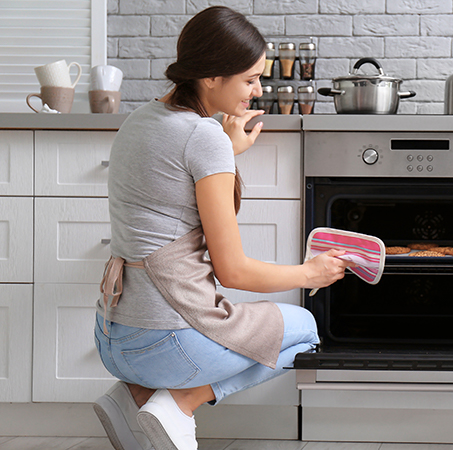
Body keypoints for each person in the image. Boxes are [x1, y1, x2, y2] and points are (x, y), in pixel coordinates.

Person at [91, 6, 354, 450]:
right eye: (249, 79)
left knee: (258, 326)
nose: (258, 91)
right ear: (211, 77)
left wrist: (225, 153)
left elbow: (174, 188)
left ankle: (134, 395)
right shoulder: (204, 137)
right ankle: (180, 402)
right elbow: (233, 272)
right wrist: (311, 274)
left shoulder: (138, 120)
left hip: (113, 335)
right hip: (164, 342)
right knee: (306, 328)